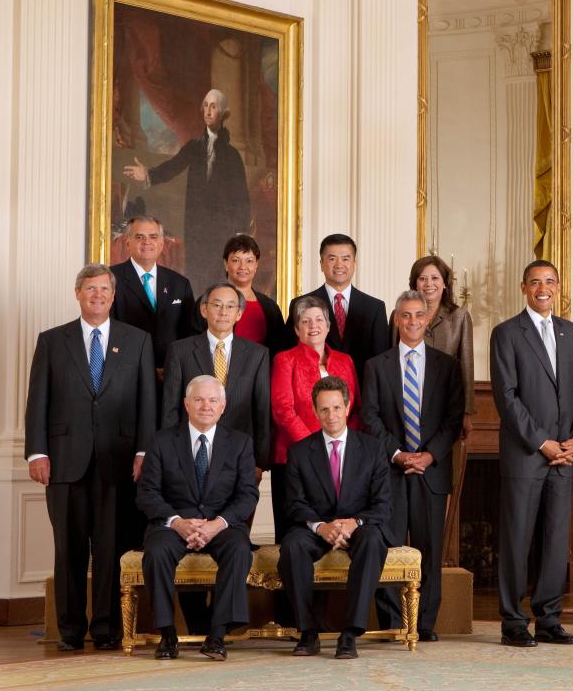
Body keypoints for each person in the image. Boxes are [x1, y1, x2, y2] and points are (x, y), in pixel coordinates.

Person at [24, 264, 156, 651]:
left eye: (104, 289)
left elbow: (147, 402)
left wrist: (144, 451)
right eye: (89, 289)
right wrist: (37, 452)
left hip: (119, 462)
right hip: (63, 461)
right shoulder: (52, 341)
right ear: (78, 294)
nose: (97, 295)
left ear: (113, 296)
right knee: (69, 549)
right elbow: (38, 402)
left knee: (111, 549)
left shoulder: (138, 341)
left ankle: (106, 629)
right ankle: (69, 630)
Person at [490, 260, 573, 648]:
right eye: (535, 282)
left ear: (559, 286)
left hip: (565, 454)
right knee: (517, 539)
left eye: (549, 281)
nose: (543, 288)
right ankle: (513, 622)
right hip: (526, 455)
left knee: (555, 540)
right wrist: (542, 442)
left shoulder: (571, 332)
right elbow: (507, 398)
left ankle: (549, 619)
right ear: (524, 288)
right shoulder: (506, 334)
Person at [363, 290, 465, 642]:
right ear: (396, 319)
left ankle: (424, 624)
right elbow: (370, 417)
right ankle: (394, 620)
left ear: (427, 319)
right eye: (405, 315)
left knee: (429, 550)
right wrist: (397, 453)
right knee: (388, 547)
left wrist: (429, 455)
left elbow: (453, 420)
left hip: (431, 471)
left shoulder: (446, 365)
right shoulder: (377, 365)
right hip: (390, 470)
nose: (412, 322)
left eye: (419, 315)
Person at [137, 376, 258, 661]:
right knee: (155, 553)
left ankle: (216, 636)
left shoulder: (240, 443)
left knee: (239, 549)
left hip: (221, 524)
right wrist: (177, 522)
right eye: (199, 400)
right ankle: (167, 635)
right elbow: (147, 493)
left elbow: (247, 496)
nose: (206, 406)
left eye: (213, 400)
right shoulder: (162, 440)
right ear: (186, 405)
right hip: (174, 524)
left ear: (223, 406)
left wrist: (217, 524)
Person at [279, 377, 392, 659]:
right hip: (316, 526)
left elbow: (383, 504)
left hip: (358, 525)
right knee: (292, 545)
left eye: (337, 408)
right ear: (315, 412)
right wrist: (321, 527)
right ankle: (308, 632)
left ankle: (350, 633)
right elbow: (294, 505)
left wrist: (354, 523)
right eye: (324, 409)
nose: (331, 416)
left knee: (373, 541)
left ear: (348, 407)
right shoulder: (299, 451)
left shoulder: (373, 448)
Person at [120, 89, 251, 293]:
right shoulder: (195, 147)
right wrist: (147, 174)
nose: (208, 111)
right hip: (197, 226)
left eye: (213, 106)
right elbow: (173, 166)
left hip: (222, 230)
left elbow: (241, 198)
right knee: (196, 276)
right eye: (205, 105)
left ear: (223, 113)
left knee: (219, 279)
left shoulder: (232, 156)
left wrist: (240, 233)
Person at [398, 255, 475, 553]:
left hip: (445, 415)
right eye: (422, 279)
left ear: (445, 284)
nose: (428, 284)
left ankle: (437, 553)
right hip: (407, 411)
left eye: (435, 279)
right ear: (414, 283)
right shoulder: (404, 314)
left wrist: (467, 411)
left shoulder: (458, 317)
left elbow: (465, 364)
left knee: (440, 483)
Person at [271, 294, 360, 541]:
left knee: (338, 533)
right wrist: (315, 449)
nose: (313, 326)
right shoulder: (285, 359)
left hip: (340, 458)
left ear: (328, 326)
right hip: (293, 459)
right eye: (306, 321)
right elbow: (283, 410)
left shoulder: (345, 361)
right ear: (297, 328)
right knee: (295, 535)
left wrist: (344, 446)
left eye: (319, 320)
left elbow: (355, 409)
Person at [162, 282, 271, 479]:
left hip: (240, 455)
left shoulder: (257, 354)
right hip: (190, 452)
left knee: (237, 510)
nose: (223, 312)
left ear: (239, 314)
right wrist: (169, 455)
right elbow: (170, 408)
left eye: (230, 306)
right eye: (217, 305)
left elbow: (262, 410)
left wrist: (260, 461)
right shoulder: (180, 351)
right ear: (204, 310)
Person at [287, 234, 389, 383]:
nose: (339, 265)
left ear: (354, 263)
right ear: (321, 264)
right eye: (332, 258)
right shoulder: (300, 304)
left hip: (361, 394)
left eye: (346, 259)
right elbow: (289, 354)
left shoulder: (375, 308)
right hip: (312, 394)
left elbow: (381, 362)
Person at [109, 215, 197, 383]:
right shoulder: (110, 279)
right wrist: (144, 368)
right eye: (139, 237)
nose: (146, 242)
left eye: (153, 237)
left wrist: (174, 367)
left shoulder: (180, 283)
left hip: (171, 377)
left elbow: (189, 334)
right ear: (127, 243)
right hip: (127, 376)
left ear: (162, 243)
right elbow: (108, 332)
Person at [221, 233, 290, 357]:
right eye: (236, 260)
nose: (243, 267)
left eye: (249, 261)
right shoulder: (210, 302)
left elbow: (280, 350)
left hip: (261, 374)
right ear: (226, 264)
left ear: (256, 265)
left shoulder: (270, 307)